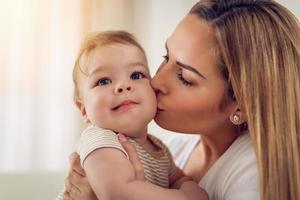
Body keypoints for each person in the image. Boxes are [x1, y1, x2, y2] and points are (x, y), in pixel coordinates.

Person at [63, 0, 300, 200]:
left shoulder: (253, 177)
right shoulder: (173, 147)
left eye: (184, 77)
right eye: (166, 57)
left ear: (243, 104)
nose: (154, 82)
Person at [58, 30, 208, 200]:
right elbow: (120, 194)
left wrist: (187, 186)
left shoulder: (158, 148)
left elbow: (178, 179)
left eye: (136, 75)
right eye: (104, 81)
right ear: (84, 110)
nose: (123, 86)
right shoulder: (101, 142)